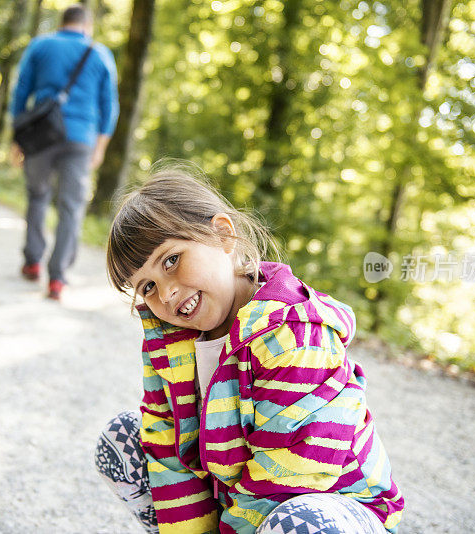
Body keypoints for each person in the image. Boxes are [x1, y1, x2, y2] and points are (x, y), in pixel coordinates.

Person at [95, 168, 404, 534]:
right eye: (147, 286)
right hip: (239, 503)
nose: (166, 294)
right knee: (124, 438)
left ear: (223, 235)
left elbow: (289, 476)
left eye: (171, 260)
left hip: (328, 506)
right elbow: (167, 450)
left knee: (298, 522)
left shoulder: (293, 335)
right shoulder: (168, 343)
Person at [10, 4, 118, 300]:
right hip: (81, 138)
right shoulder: (100, 53)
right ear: (87, 26)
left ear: (62, 23)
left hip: (41, 134)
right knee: (71, 206)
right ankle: (57, 277)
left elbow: (21, 92)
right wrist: (100, 148)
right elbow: (109, 107)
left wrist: (16, 139)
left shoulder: (41, 45)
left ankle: (32, 261)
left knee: (38, 195)